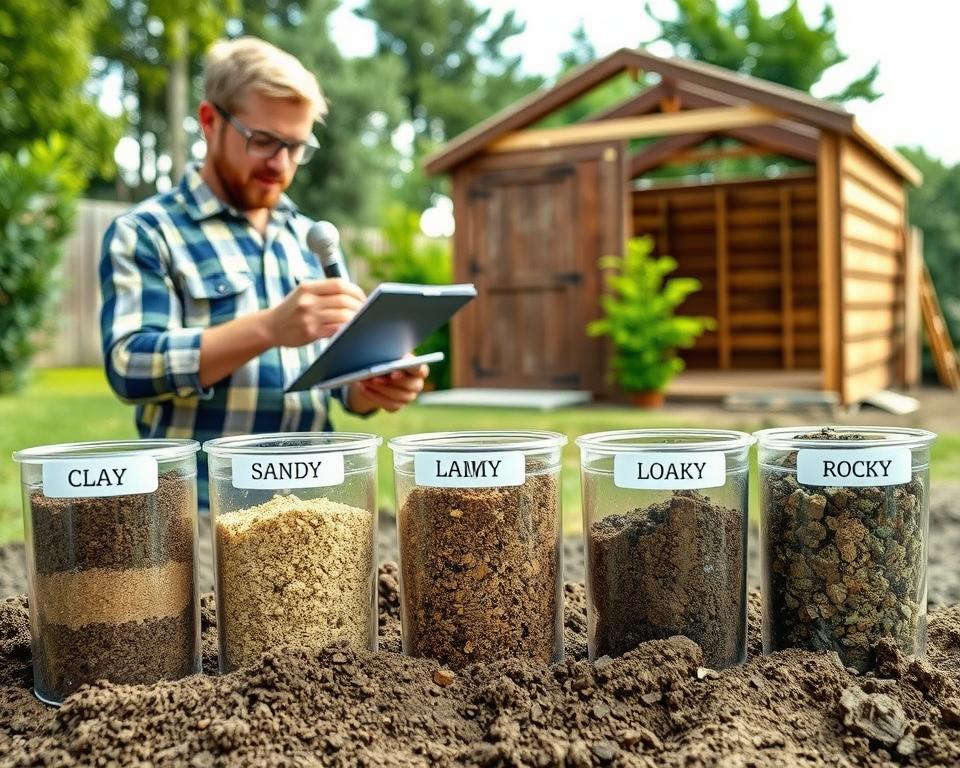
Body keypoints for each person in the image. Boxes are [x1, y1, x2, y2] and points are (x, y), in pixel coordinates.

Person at [99, 36, 428, 508]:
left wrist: (372, 388)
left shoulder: (310, 238)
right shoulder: (148, 232)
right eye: (264, 141)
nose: (281, 163)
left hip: (320, 508)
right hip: (202, 515)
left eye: (296, 146)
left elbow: (337, 389)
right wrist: (271, 328)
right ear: (210, 122)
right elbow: (129, 366)